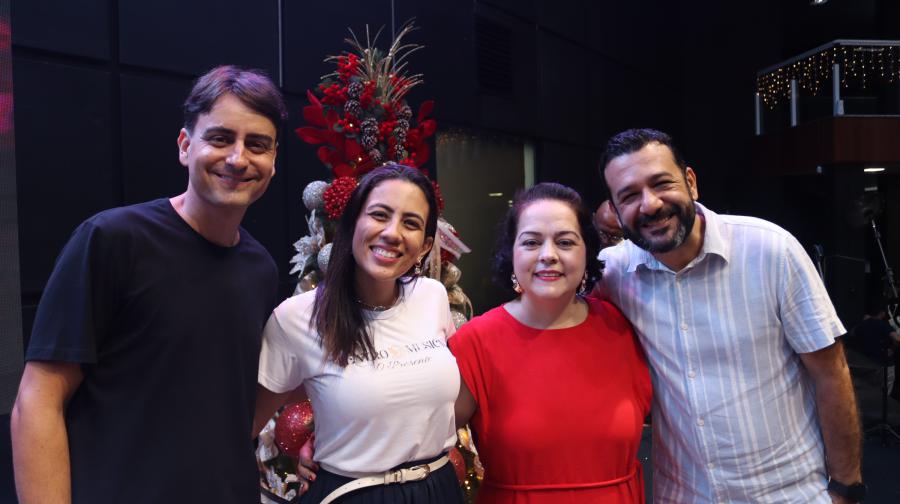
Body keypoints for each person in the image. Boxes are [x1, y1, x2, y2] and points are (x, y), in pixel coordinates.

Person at [10, 65, 286, 504]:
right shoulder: (112, 240)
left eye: (257, 145)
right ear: (185, 146)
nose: (238, 158)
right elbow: (38, 401)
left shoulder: (261, 269)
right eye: (220, 138)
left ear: (273, 161)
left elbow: (227, 415)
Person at [595, 128, 864, 503]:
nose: (650, 204)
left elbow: (831, 372)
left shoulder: (771, 249)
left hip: (788, 494)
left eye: (661, 183)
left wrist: (846, 486)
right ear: (614, 209)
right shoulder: (613, 274)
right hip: (684, 495)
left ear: (691, 182)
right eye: (629, 196)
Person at [254, 164, 464, 504]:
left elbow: (433, 398)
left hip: (438, 488)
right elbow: (249, 424)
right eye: (379, 215)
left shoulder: (432, 296)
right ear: (352, 223)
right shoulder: (298, 316)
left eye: (411, 223)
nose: (393, 233)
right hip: (355, 492)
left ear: (425, 246)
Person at [450, 182, 652, 503]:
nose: (548, 255)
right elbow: (422, 442)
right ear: (512, 253)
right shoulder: (475, 343)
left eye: (565, 242)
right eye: (531, 242)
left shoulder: (625, 328)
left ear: (587, 251)